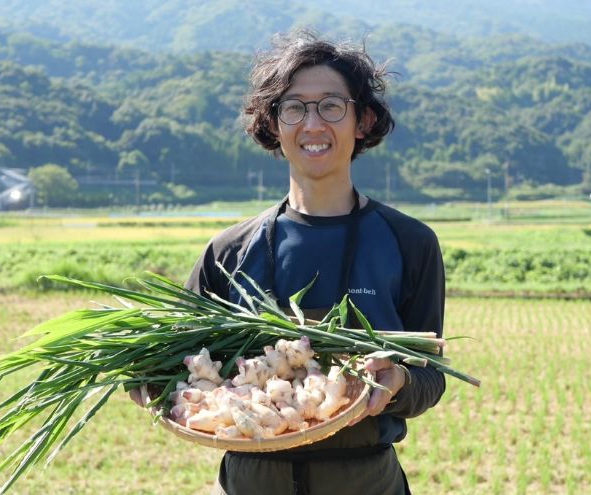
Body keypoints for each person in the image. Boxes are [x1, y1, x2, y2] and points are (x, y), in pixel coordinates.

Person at [184, 30, 446, 495]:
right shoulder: (227, 251)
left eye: (330, 106)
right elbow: (174, 357)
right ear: (274, 123)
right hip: (249, 480)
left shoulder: (410, 242)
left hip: (366, 479)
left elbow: (431, 376)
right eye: (294, 107)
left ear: (362, 120)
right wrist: (147, 381)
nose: (312, 124)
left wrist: (400, 379)